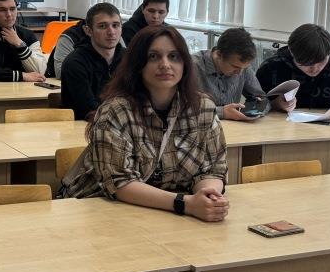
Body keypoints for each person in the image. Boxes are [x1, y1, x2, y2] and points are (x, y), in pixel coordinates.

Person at [59, 25, 229, 223]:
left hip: (166, 214)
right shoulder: (116, 111)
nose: (165, 65)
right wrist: (185, 203)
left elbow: (214, 168)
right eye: (153, 57)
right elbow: (120, 182)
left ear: (185, 63)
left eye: (174, 56)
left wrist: (208, 196)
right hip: (104, 211)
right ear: (138, 64)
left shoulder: (203, 108)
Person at [257, 23, 330, 124]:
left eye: (321, 62)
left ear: (329, 52)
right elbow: (253, 103)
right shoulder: (272, 67)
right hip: (279, 129)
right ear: (291, 52)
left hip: (329, 131)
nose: (314, 69)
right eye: (306, 64)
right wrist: (276, 104)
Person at [59, 3, 124, 121]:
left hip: (124, 124)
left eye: (115, 25)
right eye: (102, 26)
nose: (111, 32)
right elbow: (89, 110)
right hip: (84, 127)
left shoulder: (129, 58)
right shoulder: (74, 63)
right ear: (88, 31)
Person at [192, 28, 265, 121]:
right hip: (200, 127)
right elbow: (180, 109)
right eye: (235, 67)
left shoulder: (242, 67)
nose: (239, 72)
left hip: (234, 127)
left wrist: (257, 107)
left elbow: (262, 98)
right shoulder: (192, 66)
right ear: (219, 54)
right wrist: (221, 112)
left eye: (244, 68)